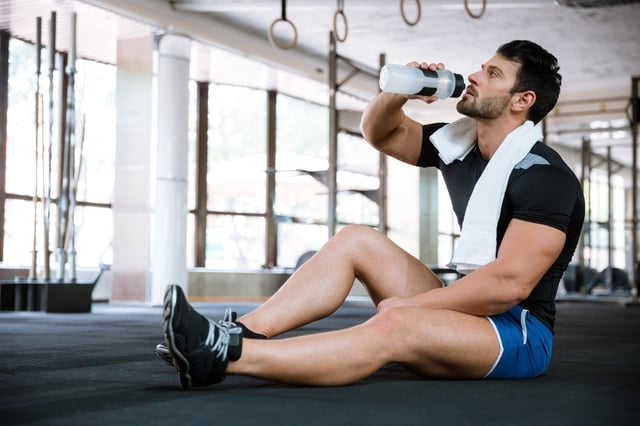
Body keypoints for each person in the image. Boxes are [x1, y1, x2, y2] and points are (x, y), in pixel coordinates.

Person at [160, 39, 585, 390]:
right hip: (471, 307)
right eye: (481, 67)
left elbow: (508, 284)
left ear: (522, 100)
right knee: (357, 239)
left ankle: (224, 357)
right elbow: (380, 132)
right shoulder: (459, 148)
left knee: (397, 322)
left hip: (518, 332)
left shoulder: (544, 176)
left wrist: (416, 306)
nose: (473, 76)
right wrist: (398, 93)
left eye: (493, 74)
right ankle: (240, 332)